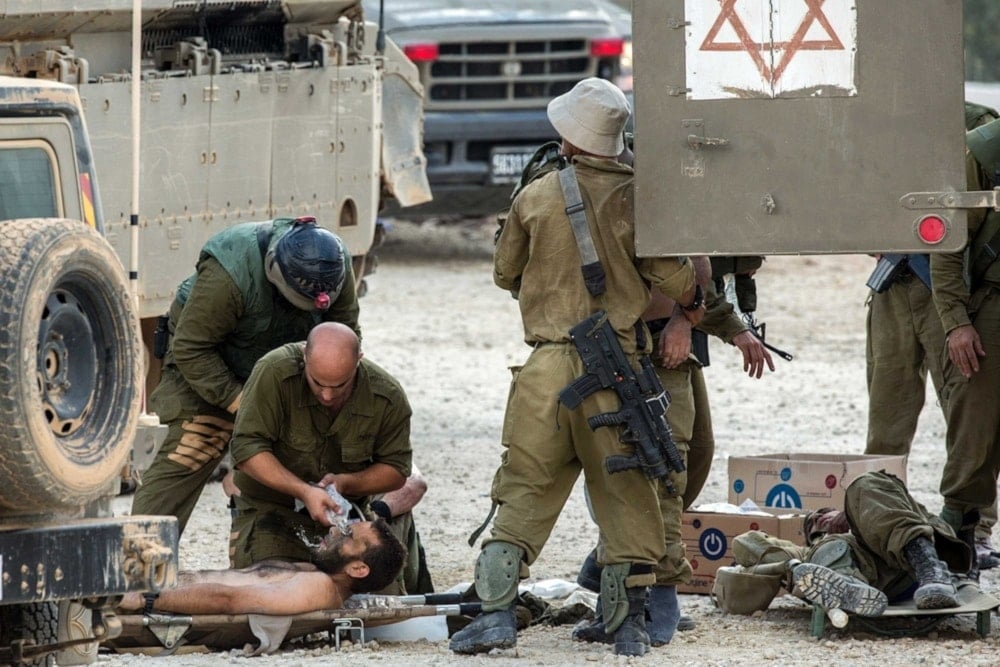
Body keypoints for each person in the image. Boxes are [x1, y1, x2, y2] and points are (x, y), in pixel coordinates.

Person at [448, 77, 702, 658]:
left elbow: (504, 273)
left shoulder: (534, 196)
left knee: (524, 488)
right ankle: (627, 623)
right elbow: (677, 280)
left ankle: (494, 616)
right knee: (627, 489)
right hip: (616, 368)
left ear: (567, 137)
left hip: (544, 368)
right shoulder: (640, 197)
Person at [573, 274, 775, 645]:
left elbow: (696, 275)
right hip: (630, 343)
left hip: (678, 337)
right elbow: (677, 268)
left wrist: (710, 324)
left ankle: (622, 563)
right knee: (654, 466)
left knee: (695, 455)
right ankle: (646, 585)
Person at [132, 216, 360, 536]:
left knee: (325, 454)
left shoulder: (334, 265)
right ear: (274, 272)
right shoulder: (230, 273)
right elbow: (192, 350)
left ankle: (290, 564)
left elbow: (344, 338)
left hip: (286, 366)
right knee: (186, 455)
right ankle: (134, 574)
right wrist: (246, 406)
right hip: (208, 367)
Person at [865, 101, 1000, 570]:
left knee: (969, 415)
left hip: (946, 289)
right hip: (894, 285)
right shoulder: (874, 124)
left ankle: (973, 527)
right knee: (888, 415)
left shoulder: (975, 126)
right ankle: (878, 523)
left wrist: (957, 313)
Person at [228, 322, 422, 598]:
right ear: (305, 356)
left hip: (346, 517)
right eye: (317, 383)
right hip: (272, 509)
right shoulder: (274, 373)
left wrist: (346, 483)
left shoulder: (386, 395)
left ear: (359, 360)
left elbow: (396, 471)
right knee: (268, 592)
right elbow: (246, 449)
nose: (328, 395)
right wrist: (304, 491)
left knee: (379, 601)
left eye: (340, 385)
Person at [719, 471, 972, 617]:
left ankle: (931, 569)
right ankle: (851, 591)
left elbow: (904, 511)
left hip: (910, 559)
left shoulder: (873, 510)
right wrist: (790, 566)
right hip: (864, 577)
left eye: (823, 514)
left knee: (864, 484)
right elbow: (745, 544)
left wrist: (852, 515)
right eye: (813, 523)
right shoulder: (812, 550)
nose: (819, 520)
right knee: (826, 552)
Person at [933, 115, 1000, 576]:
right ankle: (955, 549)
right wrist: (957, 322)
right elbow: (948, 242)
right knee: (974, 433)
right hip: (993, 308)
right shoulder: (986, 150)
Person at [118, 519, 407, 616]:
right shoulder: (313, 574)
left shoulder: (318, 588)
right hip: (144, 587)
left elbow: (228, 600)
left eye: (346, 536)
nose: (334, 531)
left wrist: (147, 597)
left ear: (358, 569)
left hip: (141, 599)